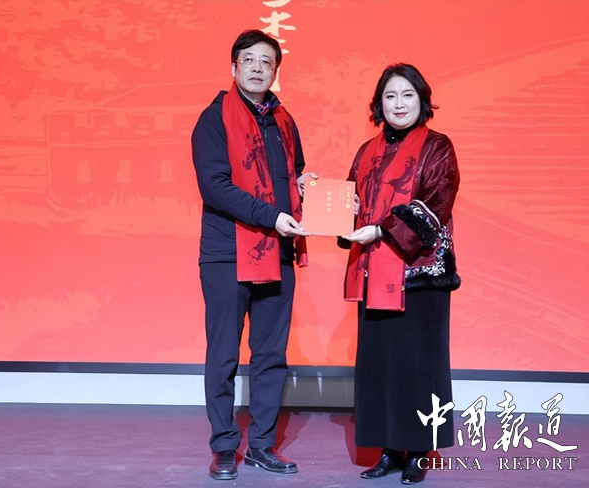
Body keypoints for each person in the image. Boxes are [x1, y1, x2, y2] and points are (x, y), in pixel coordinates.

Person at [192, 29, 314, 480]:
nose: (258, 68)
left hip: (277, 251)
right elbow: (215, 187)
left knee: (270, 355)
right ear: (234, 67)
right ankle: (225, 445)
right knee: (223, 355)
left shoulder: (284, 120)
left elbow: (294, 173)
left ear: (276, 70)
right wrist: (271, 215)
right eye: (250, 60)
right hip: (226, 253)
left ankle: (262, 444)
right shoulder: (213, 118)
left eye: (267, 62)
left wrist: (305, 188)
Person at [340, 63, 461, 485]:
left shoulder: (437, 147)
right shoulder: (366, 151)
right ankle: (390, 449)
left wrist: (380, 230)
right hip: (374, 273)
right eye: (390, 96)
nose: (399, 104)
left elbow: (437, 200)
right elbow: (351, 201)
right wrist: (328, 203)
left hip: (420, 275)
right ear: (379, 104)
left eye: (407, 95)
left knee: (420, 365)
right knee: (380, 365)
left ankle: (419, 452)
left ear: (422, 100)